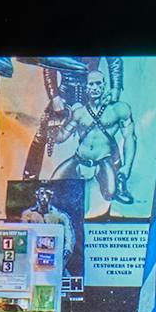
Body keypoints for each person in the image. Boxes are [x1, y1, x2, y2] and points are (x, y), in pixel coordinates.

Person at [54, 62, 137, 206]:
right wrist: (51, 129)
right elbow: (61, 137)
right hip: (79, 159)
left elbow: (130, 138)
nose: (95, 88)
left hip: (103, 160)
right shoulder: (79, 112)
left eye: (98, 84)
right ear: (85, 88)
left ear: (104, 85)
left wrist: (127, 166)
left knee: (110, 193)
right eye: (91, 85)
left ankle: (118, 185)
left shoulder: (119, 110)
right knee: (53, 185)